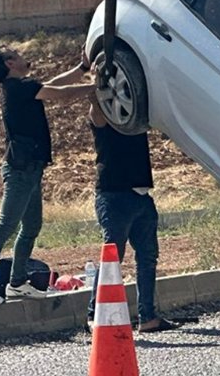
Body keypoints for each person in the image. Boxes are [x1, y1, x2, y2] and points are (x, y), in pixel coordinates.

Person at [0, 46, 95, 305]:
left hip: (32, 168)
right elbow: (63, 95)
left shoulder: (23, 88)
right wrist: (96, 86)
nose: (25, 55)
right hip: (20, 169)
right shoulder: (17, 88)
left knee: (31, 226)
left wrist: (82, 70)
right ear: (10, 63)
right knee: (6, 225)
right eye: (17, 53)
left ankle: (17, 283)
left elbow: (53, 85)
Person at [86, 94, 176, 332]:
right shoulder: (105, 117)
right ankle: (95, 316)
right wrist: (97, 95)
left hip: (141, 196)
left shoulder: (134, 119)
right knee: (112, 257)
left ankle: (147, 317)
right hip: (115, 196)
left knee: (147, 257)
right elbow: (96, 116)